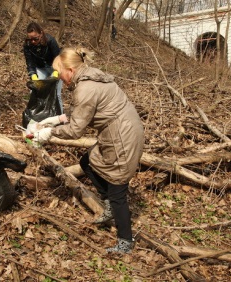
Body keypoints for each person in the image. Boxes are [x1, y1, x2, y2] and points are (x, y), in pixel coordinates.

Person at [33, 47, 144, 254]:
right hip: (119, 130)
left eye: (60, 73)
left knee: (117, 187)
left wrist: (50, 133)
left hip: (122, 136)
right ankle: (109, 203)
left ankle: (125, 242)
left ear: (71, 70)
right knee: (87, 162)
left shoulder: (85, 88)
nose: (59, 78)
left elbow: (76, 130)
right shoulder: (91, 77)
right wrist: (56, 120)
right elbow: (86, 112)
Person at [23, 22, 64, 113]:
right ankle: (36, 116)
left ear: (41, 34)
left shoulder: (50, 41)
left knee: (56, 94)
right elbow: (30, 63)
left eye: (35, 39)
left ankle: (61, 117)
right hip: (40, 68)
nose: (33, 41)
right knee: (35, 91)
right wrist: (34, 76)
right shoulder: (27, 45)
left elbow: (58, 57)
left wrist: (56, 73)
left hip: (54, 67)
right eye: (31, 39)